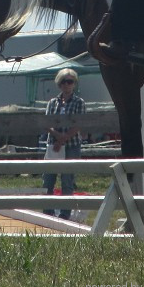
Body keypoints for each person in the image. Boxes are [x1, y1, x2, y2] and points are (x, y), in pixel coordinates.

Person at [40, 68, 85, 219]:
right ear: (59, 84)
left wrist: (63, 138)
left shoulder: (79, 102)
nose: (67, 85)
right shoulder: (52, 102)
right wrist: (58, 137)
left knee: (67, 181)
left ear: (74, 84)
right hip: (53, 145)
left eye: (70, 81)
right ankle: (48, 211)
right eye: (63, 82)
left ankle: (65, 213)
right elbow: (46, 123)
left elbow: (79, 124)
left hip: (71, 145)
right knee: (48, 180)